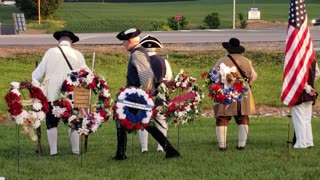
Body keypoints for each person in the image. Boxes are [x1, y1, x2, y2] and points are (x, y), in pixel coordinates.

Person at [114, 28, 180, 160]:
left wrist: (144, 96)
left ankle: (121, 154)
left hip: (137, 97)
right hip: (138, 95)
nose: (123, 44)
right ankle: (170, 150)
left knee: (122, 119)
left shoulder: (137, 54)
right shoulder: (139, 51)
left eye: (124, 42)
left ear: (130, 41)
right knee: (144, 123)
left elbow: (147, 76)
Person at [32, 30, 89, 156]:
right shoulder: (78, 54)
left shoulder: (50, 52)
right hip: (71, 93)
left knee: (51, 122)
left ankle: (53, 151)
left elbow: (36, 74)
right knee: (73, 120)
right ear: (71, 41)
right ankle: (75, 150)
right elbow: (87, 74)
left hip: (51, 93)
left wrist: (37, 88)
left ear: (59, 40)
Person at [213, 37, 257, 151]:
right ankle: (241, 145)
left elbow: (214, 76)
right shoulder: (247, 60)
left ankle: (222, 146)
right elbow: (254, 76)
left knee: (222, 118)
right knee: (243, 117)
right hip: (243, 92)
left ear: (228, 49)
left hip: (225, 92)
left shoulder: (222, 60)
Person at [138, 34, 173, 153]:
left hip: (143, 95)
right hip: (159, 95)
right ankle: (160, 146)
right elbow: (168, 78)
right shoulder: (164, 61)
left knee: (143, 120)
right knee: (161, 119)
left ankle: (144, 148)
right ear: (156, 48)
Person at [291, 60, 319, 148]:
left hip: (300, 93)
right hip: (309, 93)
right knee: (306, 119)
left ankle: (301, 143)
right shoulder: (312, 59)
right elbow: (317, 73)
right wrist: (310, 84)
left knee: (299, 119)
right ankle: (308, 141)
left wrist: (307, 87)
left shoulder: (298, 59)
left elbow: (298, 77)